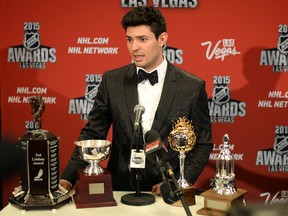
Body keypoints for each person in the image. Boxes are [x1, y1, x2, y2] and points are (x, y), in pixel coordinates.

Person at [60, 6, 213, 196]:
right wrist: (67, 179)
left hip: (165, 190)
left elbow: (203, 143)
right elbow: (93, 133)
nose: (134, 47)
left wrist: (180, 181)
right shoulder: (111, 81)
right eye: (129, 39)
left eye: (142, 39)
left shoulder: (192, 87)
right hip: (119, 190)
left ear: (162, 39)